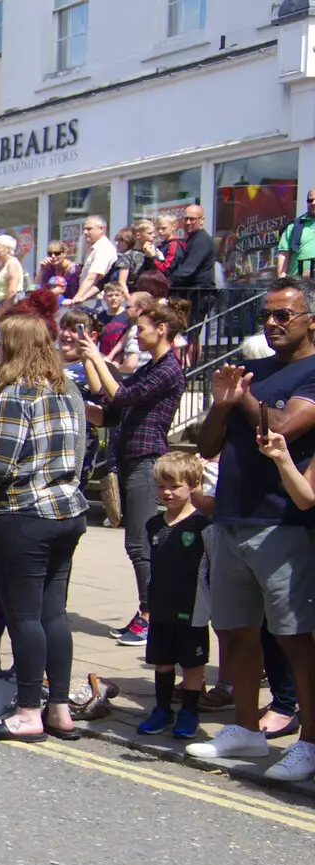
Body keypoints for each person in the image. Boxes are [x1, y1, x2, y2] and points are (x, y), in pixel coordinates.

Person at [187, 277, 315, 780]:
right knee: (235, 631)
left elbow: (283, 427)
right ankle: (246, 731)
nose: (274, 322)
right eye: (268, 314)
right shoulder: (253, 371)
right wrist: (220, 404)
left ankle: (308, 742)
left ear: (310, 320)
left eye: (285, 314)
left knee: (295, 638)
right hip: (232, 518)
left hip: (282, 522)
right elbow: (207, 446)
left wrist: (241, 398)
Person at [0, 314, 89, 743]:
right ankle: (59, 709)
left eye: (1, 343)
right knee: (53, 614)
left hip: (24, 514)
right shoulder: (64, 391)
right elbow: (80, 449)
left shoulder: (15, 395)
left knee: (23, 618)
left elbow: (1, 461)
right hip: (66, 511)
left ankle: (27, 711)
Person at [80, 300, 187, 648]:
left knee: (139, 543)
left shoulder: (169, 368)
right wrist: (86, 365)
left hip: (145, 458)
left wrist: (97, 357)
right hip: (128, 458)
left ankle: (150, 615)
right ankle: (148, 611)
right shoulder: (150, 365)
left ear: (161, 329)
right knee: (136, 542)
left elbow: (123, 396)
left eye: (139, 329)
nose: (134, 335)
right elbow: (109, 405)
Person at [130, 452, 212, 739]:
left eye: (174, 486)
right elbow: (148, 563)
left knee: (192, 663)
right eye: (161, 486)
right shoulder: (153, 525)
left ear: (193, 485)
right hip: (161, 606)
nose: (166, 492)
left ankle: (189, 712)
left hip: (194, 608)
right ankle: (163, 710)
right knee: (162, 660)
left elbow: (213, 567)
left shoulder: (203, 525)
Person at [169, 204, 218, 326]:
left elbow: (188, 269)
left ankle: (193, 346)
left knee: (191, 331)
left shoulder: (202, 240)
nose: (188, 222)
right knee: (191, 333)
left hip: (199, 293)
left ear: (202, 220)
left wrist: (167, 282)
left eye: (192, 219)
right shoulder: (193, 238)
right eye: (186, 219)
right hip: (192, 292)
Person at [67, 216, 117, 307]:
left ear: (101, 229)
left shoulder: (103, 249)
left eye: (89, 229)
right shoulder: (94, 248)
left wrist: (76, 299)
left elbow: (92, 277)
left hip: (97, 302)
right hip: (89, 300)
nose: (85, 232)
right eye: (84, 229)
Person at [276, 188, 315, 278]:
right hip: (299, 285)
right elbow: (284, 256)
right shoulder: (294, 226)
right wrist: (282, 283)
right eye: (310, 200)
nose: (313, 203)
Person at [0, 235, 23, 304]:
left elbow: (12, 291)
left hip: (7, 306)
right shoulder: (3, 264)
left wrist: (3, 309)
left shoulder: (12, 264)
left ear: (7, 249)